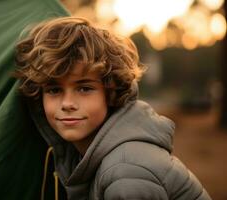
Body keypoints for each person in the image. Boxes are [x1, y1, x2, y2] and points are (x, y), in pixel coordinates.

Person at [14, 16, 212, 200]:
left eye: (84, 88)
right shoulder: (86, 155)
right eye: (54, 90)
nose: (67, 103)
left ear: (110, 92)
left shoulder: (126, 172)